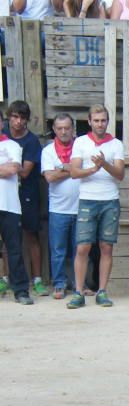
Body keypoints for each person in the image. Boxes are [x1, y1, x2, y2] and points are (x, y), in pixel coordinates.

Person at [68, 105, 125, 309]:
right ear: (89, 121)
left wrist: (104, 164)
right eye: (97, 120)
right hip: (87, 199)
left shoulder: (116, 144)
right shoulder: (81, 142)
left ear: (108, 122)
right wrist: (94, 168)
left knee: (106, 247)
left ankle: (102, 291)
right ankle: (78, 291)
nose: (100, 124)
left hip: (110, 200)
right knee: (82, 247)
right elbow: (74, 172)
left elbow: (120, 174)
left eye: (103, 120)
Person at [4, 101, 45, 297]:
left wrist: (12, 168)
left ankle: (36, 278)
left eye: (22, 118)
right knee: (7, 239)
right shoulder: (3, 133)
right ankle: (5, 278)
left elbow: (24, 171)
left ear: (27, 120)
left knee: (31, 234)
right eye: (14, 117)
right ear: (8, 117)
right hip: (6, 194)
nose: (18, 122)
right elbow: (13, 168)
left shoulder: (31, 141)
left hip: (26, 193)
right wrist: (9, 168)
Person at [40, 114, 80, 300]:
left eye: (67, 128)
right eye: (59, 128)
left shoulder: (81, 147)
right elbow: (50, 177)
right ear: (54, 130)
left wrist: (61, 169)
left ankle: (79, 285)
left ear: (73, 129)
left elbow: (84, 171)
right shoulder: (48, 151)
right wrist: (71, 168)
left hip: (81, 208)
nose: (64, 132)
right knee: (58, 251)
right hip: (58, 209)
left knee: (80, 250)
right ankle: (59, 284)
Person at [0, 126, 31, 305]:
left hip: (10, 206)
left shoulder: (12, 145)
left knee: (15, 251)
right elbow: (6, 168)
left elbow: (12, 169)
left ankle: (20, 291)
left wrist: (8, 168)